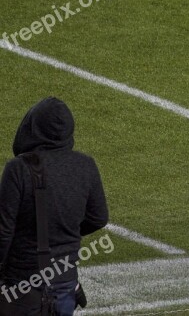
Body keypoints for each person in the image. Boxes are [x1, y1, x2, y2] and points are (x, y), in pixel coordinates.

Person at [0, 97, 108, 316]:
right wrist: (62, 232)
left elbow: (3, 233)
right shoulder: (85, 165)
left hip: (22, 288)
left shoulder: (18, 169)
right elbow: (98, 218)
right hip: (66, 283)